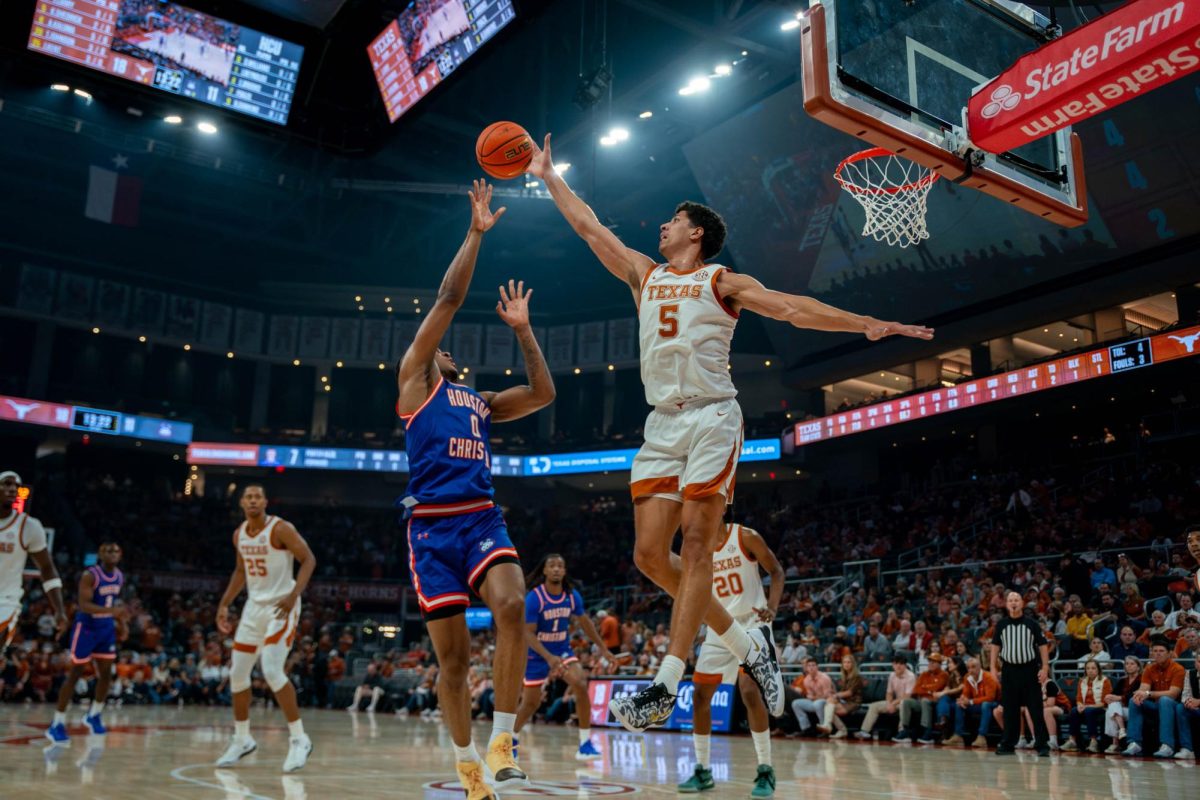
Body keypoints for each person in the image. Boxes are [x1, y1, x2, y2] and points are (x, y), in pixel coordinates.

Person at [526, 135, 932, 732]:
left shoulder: (722, 281)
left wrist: (863, 323)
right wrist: (548, 175)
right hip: (662, 424)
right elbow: (590, 229)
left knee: (695, 547)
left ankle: (666, 682)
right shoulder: (644, 273)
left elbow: (793, 307)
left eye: (673, 221)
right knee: (647, 556)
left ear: (696, 234)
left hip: (714, 417)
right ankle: (749, 643)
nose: (662, 226)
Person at [394, 181, 555, 800]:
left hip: (482, 518)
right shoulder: (416, 382)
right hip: (432, 529)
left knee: (514, 605)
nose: (446, 348)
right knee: (455, 664)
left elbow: (542, 395)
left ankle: (502, 741)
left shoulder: (480, 402)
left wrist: (523, 330)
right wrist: (476, 233)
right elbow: (450, 295)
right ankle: (466, 763)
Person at [214, 485, 316, 773]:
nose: (253, 501)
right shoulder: (239, 534)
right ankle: (242, 738)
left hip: (281, 605)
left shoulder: (280, 528)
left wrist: (294, 595)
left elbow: (308, 559)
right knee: (237, 674)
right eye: (248, 497)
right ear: (242, 503)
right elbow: (239, 571)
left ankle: (300, 739)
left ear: (265, 502)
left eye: (258, 496)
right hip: (253, 608)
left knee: (271, 669)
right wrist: (224, 604)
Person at [679, 521, 784, 797]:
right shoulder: (695, 548)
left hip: (752, 623)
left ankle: (765, 769)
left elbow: (776, 571)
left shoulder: (746, 536)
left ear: (721, 506)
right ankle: (702, 770)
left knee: (749, 692)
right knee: (700, 695)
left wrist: (772, 607)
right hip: (719, 625)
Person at [513, 553, 615, 761]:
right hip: (538, 653)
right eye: (552, 565)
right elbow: (527, 633)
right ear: (545, 571)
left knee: (579, 682)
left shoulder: (571, 596)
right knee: (531, 703)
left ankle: (585, 744)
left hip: (562, 650)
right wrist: (549, 658)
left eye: (560, 565)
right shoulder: (535, 597)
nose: (557, 569)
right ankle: (511, 738)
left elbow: (585, 622)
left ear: (565, 571)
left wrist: (603, 649)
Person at [45, 540, 124, 744]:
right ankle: (57, 723)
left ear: (120, 554)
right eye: (108, 550)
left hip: (106, 628)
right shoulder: (91, 575)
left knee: (106, 674)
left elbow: (113, 605)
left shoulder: (119, 576)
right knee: (75, 674)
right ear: (100, 553)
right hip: (87, 627)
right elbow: (85, 605)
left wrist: (121, 623)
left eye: (115, 551)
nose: (112, 554)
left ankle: (94, 714)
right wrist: (112, 612)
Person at [0, 472, 67, 650]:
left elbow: (46, 567)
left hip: (5, 601)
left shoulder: (29, 526)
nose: (13, 489)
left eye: (16, 486)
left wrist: (59, 609)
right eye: (7, 484)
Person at [990, 591, 1051, 756]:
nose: (1014, 603)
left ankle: (1042, 744)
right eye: (1010, 600)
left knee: (1035, 707)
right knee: (1009, 709)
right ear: (1006, 604)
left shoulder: (1032, 624)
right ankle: (1008, 744)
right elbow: (995, 646)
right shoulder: (1001, 625)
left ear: (1022, 603)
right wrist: (993, 667)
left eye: (1016, 600)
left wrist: (1045, 667)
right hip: (1009, 670)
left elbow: (1043, 645)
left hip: (1029, 669)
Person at [1123, 636, 1186, 757]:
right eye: (1155, 651)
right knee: (1134, 700)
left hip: (1173, 705)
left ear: (1169, 653)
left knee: (1165, 700)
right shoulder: (1149, 668)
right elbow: (1143, 689)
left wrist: (1148, 694)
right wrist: (1139, 695)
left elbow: (1173, 693)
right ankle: (1134, 743)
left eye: (1161, 651)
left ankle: (1167, 745)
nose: (1157, 654)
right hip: (1155, 704)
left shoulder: (1178, 669)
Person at [855, 655, 915, 739]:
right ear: (893, 665)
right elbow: (889, 693)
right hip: (896, 702)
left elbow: (907, 696)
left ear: (905, 665)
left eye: (901, 664)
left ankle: (902, 732)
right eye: (896, 663)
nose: (898, 666)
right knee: (874, 706)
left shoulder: (911, 676)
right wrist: (889, 703)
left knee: (903, 704)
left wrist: (893, 703)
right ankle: (865, 731)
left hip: (908, 702)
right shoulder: (892, 675)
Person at [947, 656, 1000, 747]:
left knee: (986, 705)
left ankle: (981, 737)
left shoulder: (988, 677)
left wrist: (970, 701)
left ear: (980, 667)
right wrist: (962, 699)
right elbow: (966, 694)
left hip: (995, 703)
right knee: (959, 705)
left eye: (973, 667)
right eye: (968, 667)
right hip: (978, 703)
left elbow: (990, 698)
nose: (970, 670)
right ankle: (958, 736)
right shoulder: (967, 677)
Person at [1064, 658, 1111, 753]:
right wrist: (1080, 705)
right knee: (1074, 710)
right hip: (1086, 708)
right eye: (1088, 668)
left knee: (1089, 711)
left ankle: (1094, 741)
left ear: (1098, 669)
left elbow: (1105, 702)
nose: (1090, 670)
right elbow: (1079, 698)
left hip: (1101, 708)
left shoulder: (1105, 681)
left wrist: (1087, 707)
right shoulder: (1082, 681)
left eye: (1093, 668)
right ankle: (1072, 741)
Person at [1104, 655, 1143, 753]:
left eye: (1132, 664)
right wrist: (1108, 697)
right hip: (1122, 710)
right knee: (1111, 708)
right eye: (1127, 664)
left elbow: (1136, 696)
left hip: (1135, 709)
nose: (1129, 666)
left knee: (1111, 710)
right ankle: (1121, 732)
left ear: (1138, 667)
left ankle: (1115, 743)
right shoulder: (1122, 680)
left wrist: (1120, 698)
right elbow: (1113, 694)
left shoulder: (1142, 680)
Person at [825, 653, 864, 740]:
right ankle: (832, 726)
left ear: (853, 664)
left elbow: (849, 693)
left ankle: (838, 728)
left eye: (848, 662)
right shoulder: (844, 676)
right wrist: (833, 692)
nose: (846, 664)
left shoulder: (857, 677)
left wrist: (836, 695)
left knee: (830, 706)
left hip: (854, 702)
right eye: (844, 662)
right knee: (829, 703)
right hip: (845, 701)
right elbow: (842, 692)